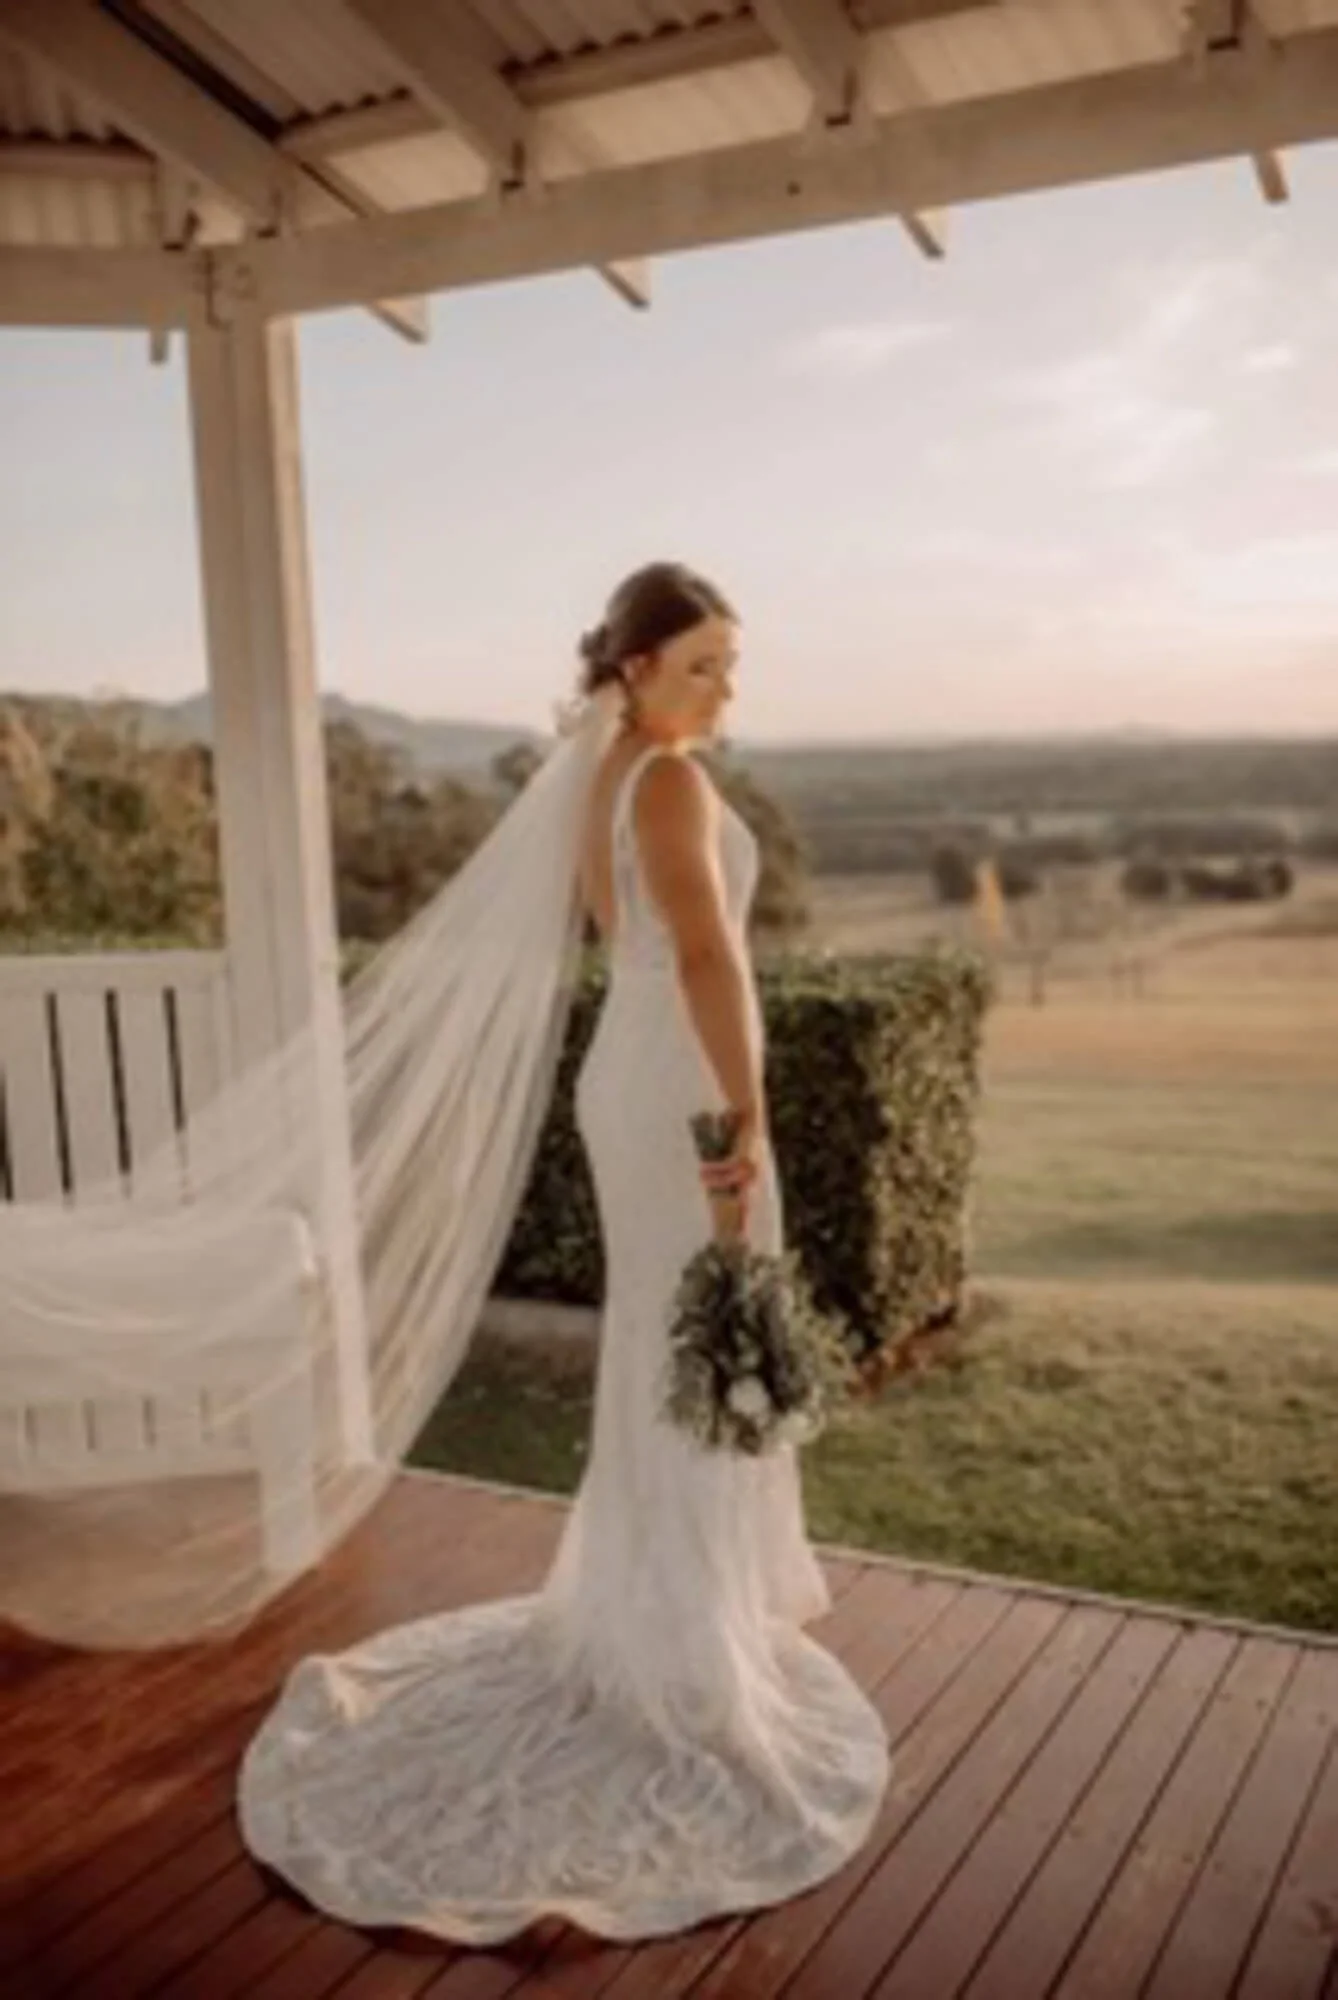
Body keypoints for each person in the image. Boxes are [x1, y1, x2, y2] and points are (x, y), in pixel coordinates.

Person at [237, 563, 890, 1943]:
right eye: (701, 664)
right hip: (683, 1095)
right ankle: (677, 1645)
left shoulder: (606, 777)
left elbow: (632, 943)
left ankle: (671, 1609)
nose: (724, 689)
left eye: (729, 665)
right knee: (692, 1354)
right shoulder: (662, 784)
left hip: (640, 1075)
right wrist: (744, 1125)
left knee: (672, 1351)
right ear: (636, 667)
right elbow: (705, 958)